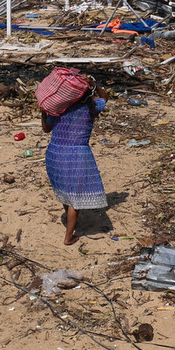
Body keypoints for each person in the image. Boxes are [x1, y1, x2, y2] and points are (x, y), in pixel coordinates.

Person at [41, 80, 109, 245]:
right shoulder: (91, 109)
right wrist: (95, 84)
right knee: (76, 198)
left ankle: (71, 224)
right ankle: (69, 237)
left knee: (65, 191)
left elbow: (46, 129)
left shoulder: (58, 110)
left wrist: (43, 110)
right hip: (77, 154)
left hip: (55, 152)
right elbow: (105, 96)